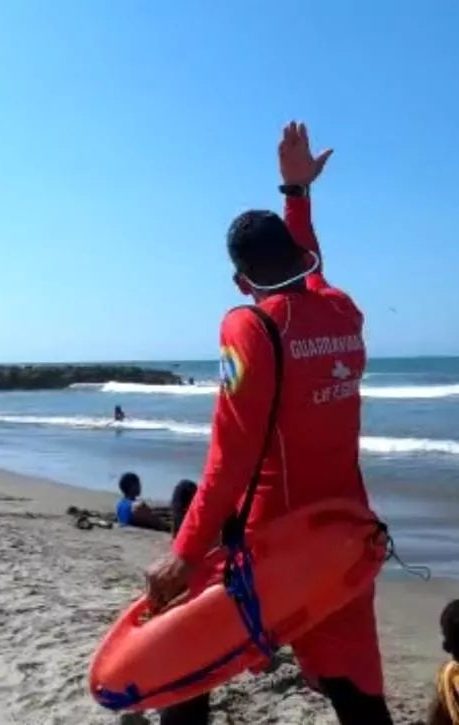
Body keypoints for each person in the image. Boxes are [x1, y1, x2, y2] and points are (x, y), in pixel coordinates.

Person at [145, 122, 389, 725]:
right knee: (358, 698)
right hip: (343, 531)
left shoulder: (249, 331)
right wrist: (296, 192)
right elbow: (311, 274)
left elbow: (229, 460)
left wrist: (184, 552)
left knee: (184, 661)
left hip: (270, 543)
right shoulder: (343, 311)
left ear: (240, 281)